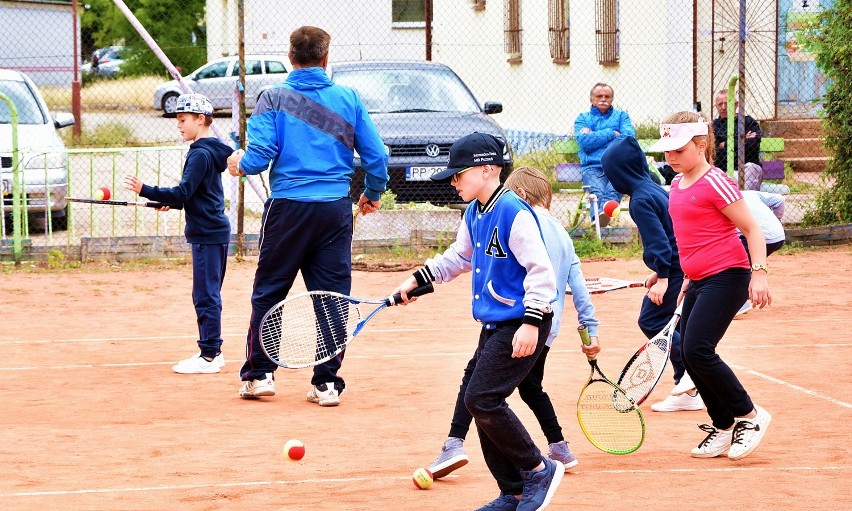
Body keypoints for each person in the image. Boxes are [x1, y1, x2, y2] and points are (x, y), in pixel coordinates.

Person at [394, 133, 565, 511]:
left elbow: (542, 272)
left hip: (521, 321)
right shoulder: (476, 212)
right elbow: (457, 258)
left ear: (487, 170)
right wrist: (417, 280)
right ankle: (514, 491)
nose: (454, 182)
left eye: (459, 175)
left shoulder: (513, 212)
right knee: (481, 399)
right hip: (495, 324)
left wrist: (532, 324)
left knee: (482, 398)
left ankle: (538, 469)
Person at [227, 26, 389, 405]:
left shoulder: (273, 97)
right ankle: (327, 383)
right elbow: (377, 155)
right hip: (334, 210)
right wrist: (373, 192)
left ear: (290, 57)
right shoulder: (348, 97)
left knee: (269, 291)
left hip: (288, 210)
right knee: (332, 296)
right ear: (326, 57)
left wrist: (239, 163)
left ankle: (259, 375)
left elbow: (259, 155)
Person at [427, 166, 601, 481]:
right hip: (546, 325)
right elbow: (578, 283)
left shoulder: (518, 220)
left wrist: (530, 321)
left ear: (517, 195)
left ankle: (471, 448)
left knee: (483, 391)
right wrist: (589, 328)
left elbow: (533, 275)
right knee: (521, 387)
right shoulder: (560, 231)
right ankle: (555, 450)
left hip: (526, 323)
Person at [647, 112, 772, 461]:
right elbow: (692, 237)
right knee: (687, 352)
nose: (670, 158)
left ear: (701, 146)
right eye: (667, 151)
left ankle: (749, 415)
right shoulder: (676, 184)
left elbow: (752, 229)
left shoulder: (715, 182)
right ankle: (723, 425)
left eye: (679, 150)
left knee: (698, 348)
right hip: (699, 279)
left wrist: (758, 273)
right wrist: (682, 275)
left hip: (729, 274)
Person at [123, 93, 233, 374]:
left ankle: (208, 356)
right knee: (209, 294)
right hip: (214, 231)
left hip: (207, 234)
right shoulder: (212, 150)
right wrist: (168, 203)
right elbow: (195, 196)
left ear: (200, 119)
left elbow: (183, 192)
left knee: (205, 295)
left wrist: (145, 190)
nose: (179, 125)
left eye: (183, 120)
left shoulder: (199, 153)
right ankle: (214, 352)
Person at [601, 136, 702, 413]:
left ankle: (690, 383)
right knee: (677, 326)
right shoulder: (654, 189)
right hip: (682, 265)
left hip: (676, 270)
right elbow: (672, 235)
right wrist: (660, 274)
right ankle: (691, 383)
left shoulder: (640, 200)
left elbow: (659, 242)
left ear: (621, 173)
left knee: (651, 319)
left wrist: (664, 276)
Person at [574, 82, 635, 227]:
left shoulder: (621, 116)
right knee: (597, 193)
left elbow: (628, 138)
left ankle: (599, 220)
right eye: (599, 96)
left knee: (614, 189)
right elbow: (584, 142)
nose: (603, 99)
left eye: (607, 96)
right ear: (591, 99)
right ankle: (601, 220)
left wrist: (594, 136)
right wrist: (611, 133)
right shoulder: (583, 118)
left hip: (617, 166)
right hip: (593, 167)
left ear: (612, 99)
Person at [735, 190, 786, 316]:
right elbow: (779, 200)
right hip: (778, 235)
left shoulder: (725, 199)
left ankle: (738, 304)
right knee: (743, 266)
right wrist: (776, 219)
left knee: (731, 267)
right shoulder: (751, 193)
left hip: (758, 238)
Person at [712, 89, 763, 191]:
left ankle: (747, 202)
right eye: (720, 104)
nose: (723, 107)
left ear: (736, 104)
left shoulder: (748, 122)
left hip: (746, 169)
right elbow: (715, 151)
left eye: (727, 103)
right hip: (723, 171)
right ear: (716, 106)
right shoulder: (713, 126)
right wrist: (742, 139)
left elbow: (752, 145)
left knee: (752, 168)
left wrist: (725, 144)